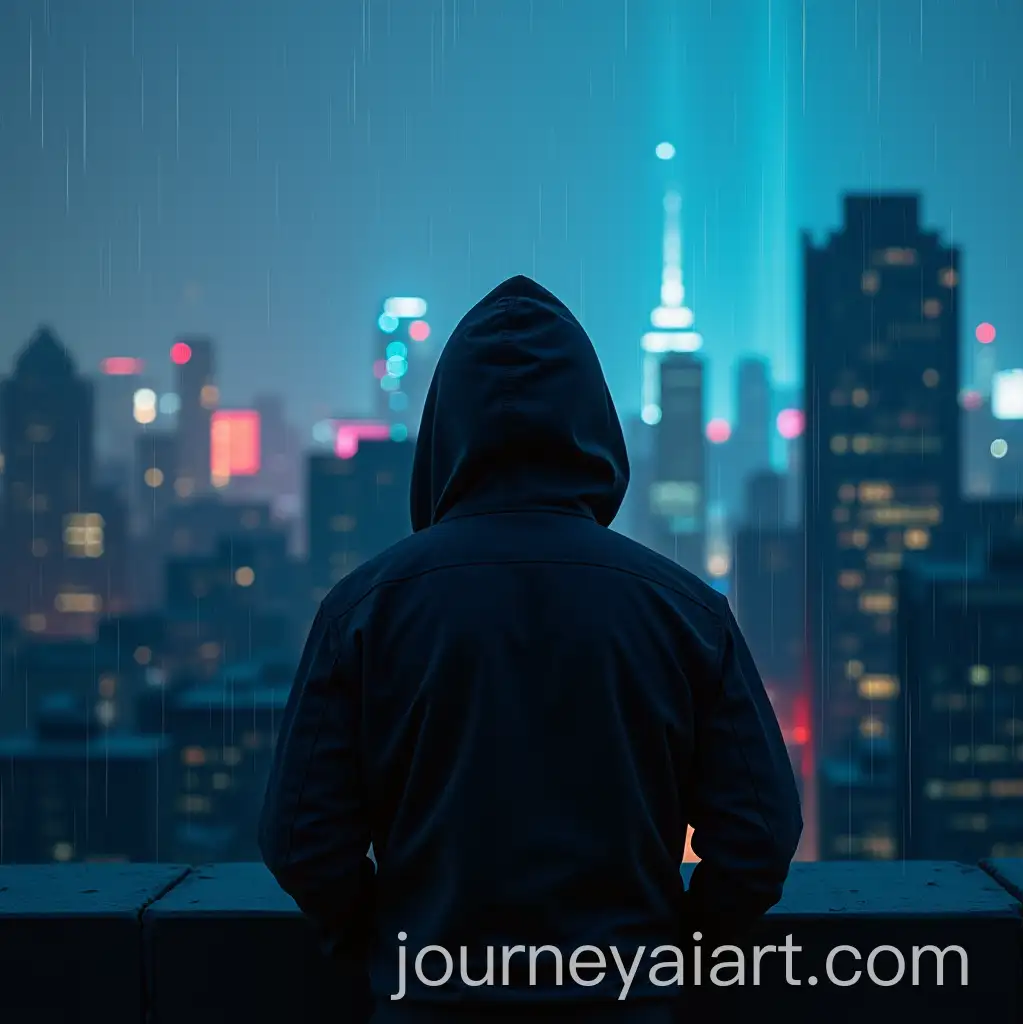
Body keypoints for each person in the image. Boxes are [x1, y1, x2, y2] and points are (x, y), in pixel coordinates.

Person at [259, 275, 802, 1023]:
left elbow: (299, 839)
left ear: (444, 431)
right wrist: (670, 949)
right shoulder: (684, 612)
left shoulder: (364, 610)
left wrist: (388, 942)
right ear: (596, 431)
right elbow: (761, 836)